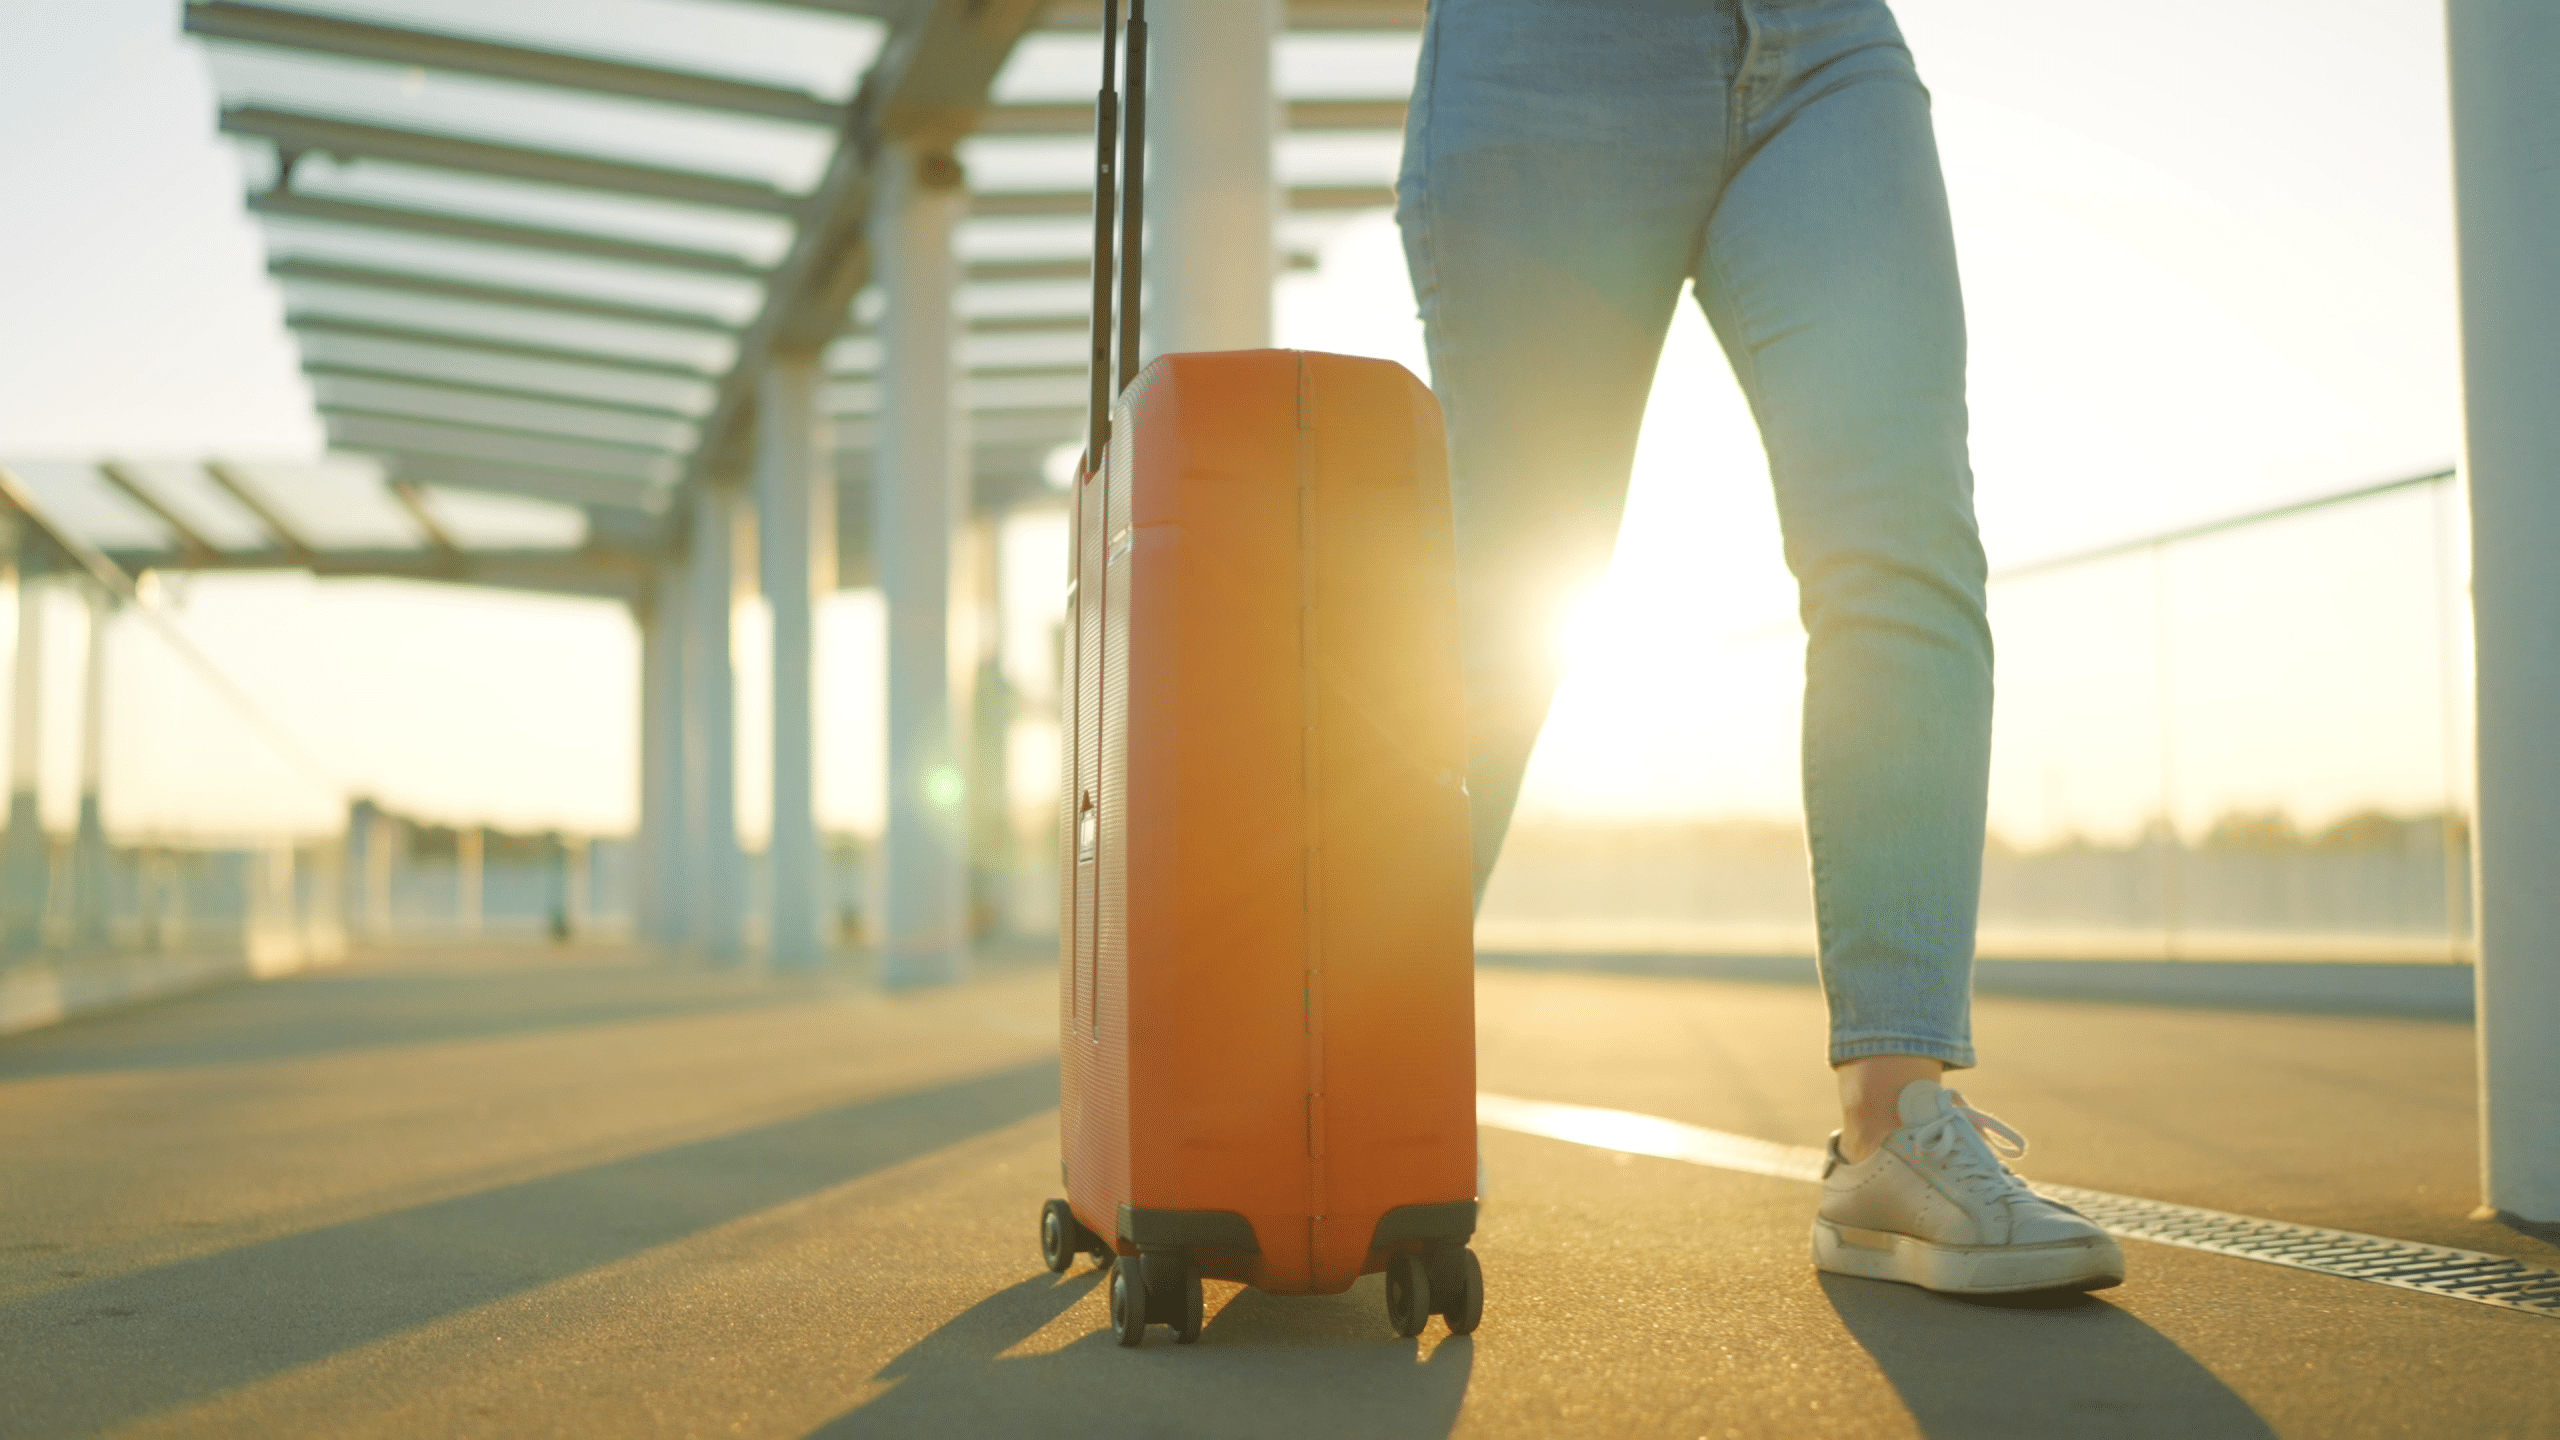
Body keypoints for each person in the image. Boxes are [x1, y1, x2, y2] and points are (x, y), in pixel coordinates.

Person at [1397, 0, 2124, 1294]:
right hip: (1546, 60)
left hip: (1822, 49)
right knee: (1504, 596)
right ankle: (1351, 1084)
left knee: (1903, 543)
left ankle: (1894, 1131)